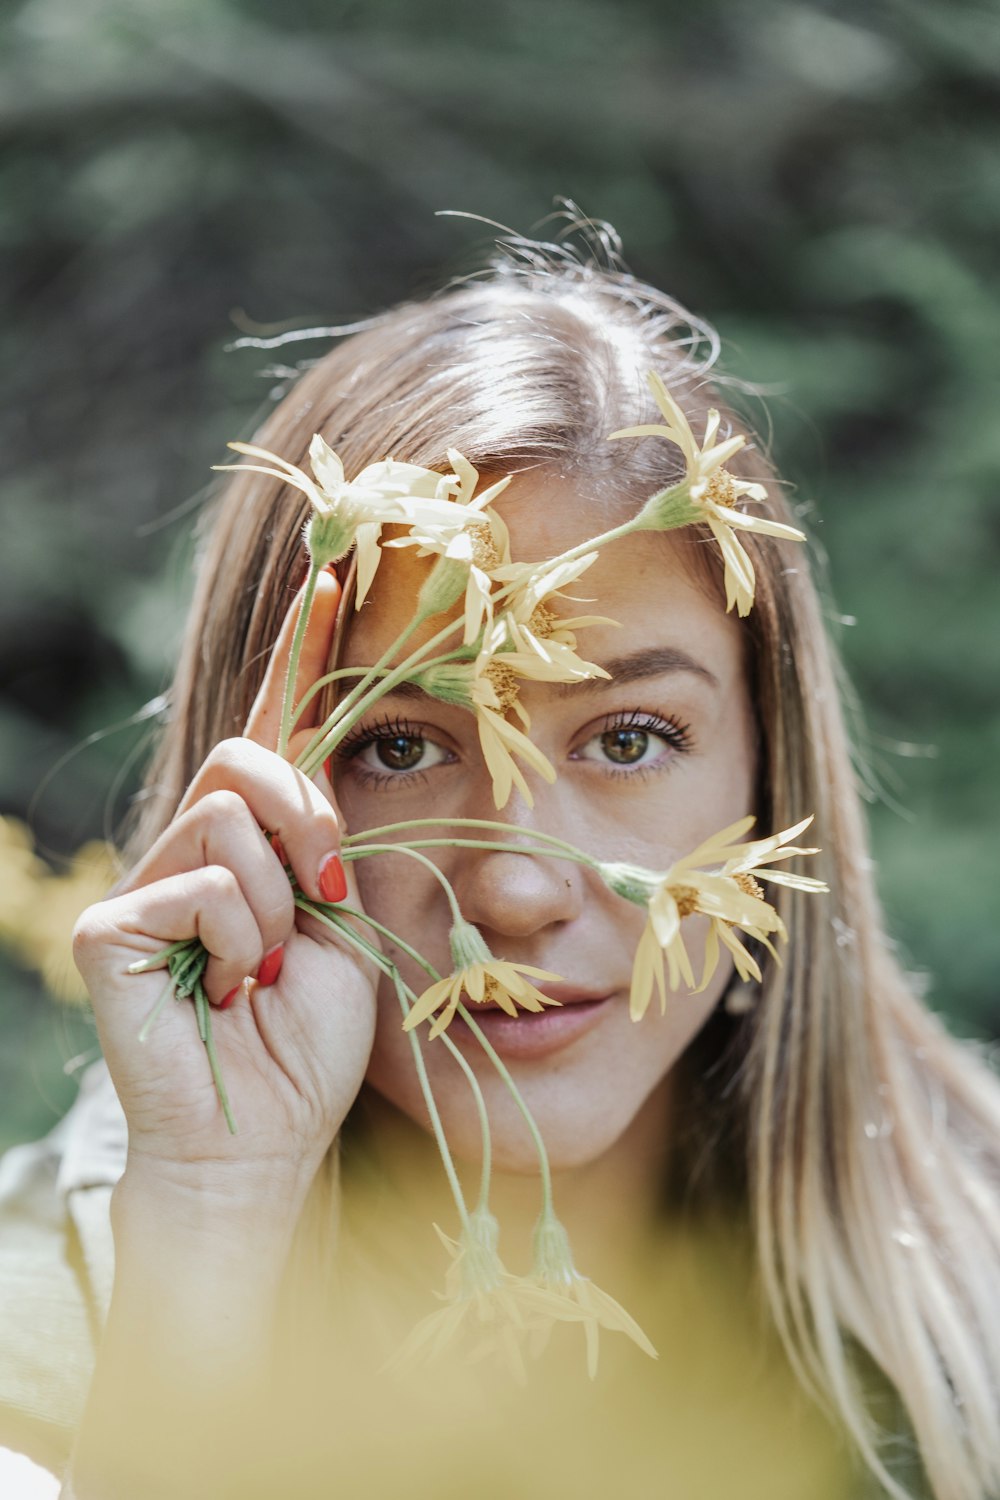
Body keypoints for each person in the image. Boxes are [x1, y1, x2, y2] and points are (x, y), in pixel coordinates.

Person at [1, 223, 998, 1500]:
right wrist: (205, 1216)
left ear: (767, 780)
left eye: (631, 737)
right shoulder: (38, 1337)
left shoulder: (968, 1302)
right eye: (398, 746)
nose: (517, 892)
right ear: (248, 779)